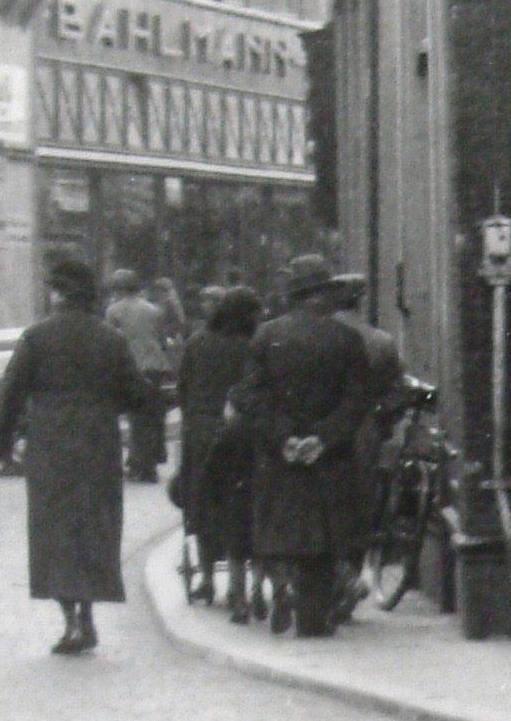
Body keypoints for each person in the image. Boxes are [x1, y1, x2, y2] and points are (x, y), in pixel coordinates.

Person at [0, 256, 150, 654]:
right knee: (94, 527)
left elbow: (11, 391)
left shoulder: (36, 337)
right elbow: (136, 393)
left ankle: (71, 622)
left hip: (51, 445)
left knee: (55, 531)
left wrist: (2, 442)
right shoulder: (111, 339)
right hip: (98, 444)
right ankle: (87, 614)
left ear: (59, 294)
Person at [239, 255, 384, 638]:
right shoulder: (346, 339)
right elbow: (357, 400)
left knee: (279, 528)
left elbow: (250, 396)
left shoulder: (266, 335)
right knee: (323, 535)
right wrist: (322, 437)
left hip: (279, 456)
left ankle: (282, 586)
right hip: (329, 458)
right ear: (324, 294)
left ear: (294, 294)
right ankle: (313, 617)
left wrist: (284, 437)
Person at [175, 287, 263, 621]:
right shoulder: (252, 345)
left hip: (200, 433)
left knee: (201, 501)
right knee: (240, 503)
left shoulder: (198, 342)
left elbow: (183, 388)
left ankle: (208, 578)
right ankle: (245, 583)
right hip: (239, 433)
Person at [326, 270, 409, 619]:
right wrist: (380, 421)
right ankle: (350, 579)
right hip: (364, 434)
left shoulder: (320, 336)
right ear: (361, 299)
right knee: (360, 508)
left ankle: (331, 583)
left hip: (321, 433)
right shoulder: (381, 341)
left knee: (322, 506)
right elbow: (397, 393)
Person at [103, 264, 175, 484]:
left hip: (130, 367)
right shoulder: (153, 310)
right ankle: (150, 461)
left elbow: (110, 342)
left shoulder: (114, 310)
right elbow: (162, 341)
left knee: (135, 418)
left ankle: (139, 463)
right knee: (152, 415)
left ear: (119, 289)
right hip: (154, 367)